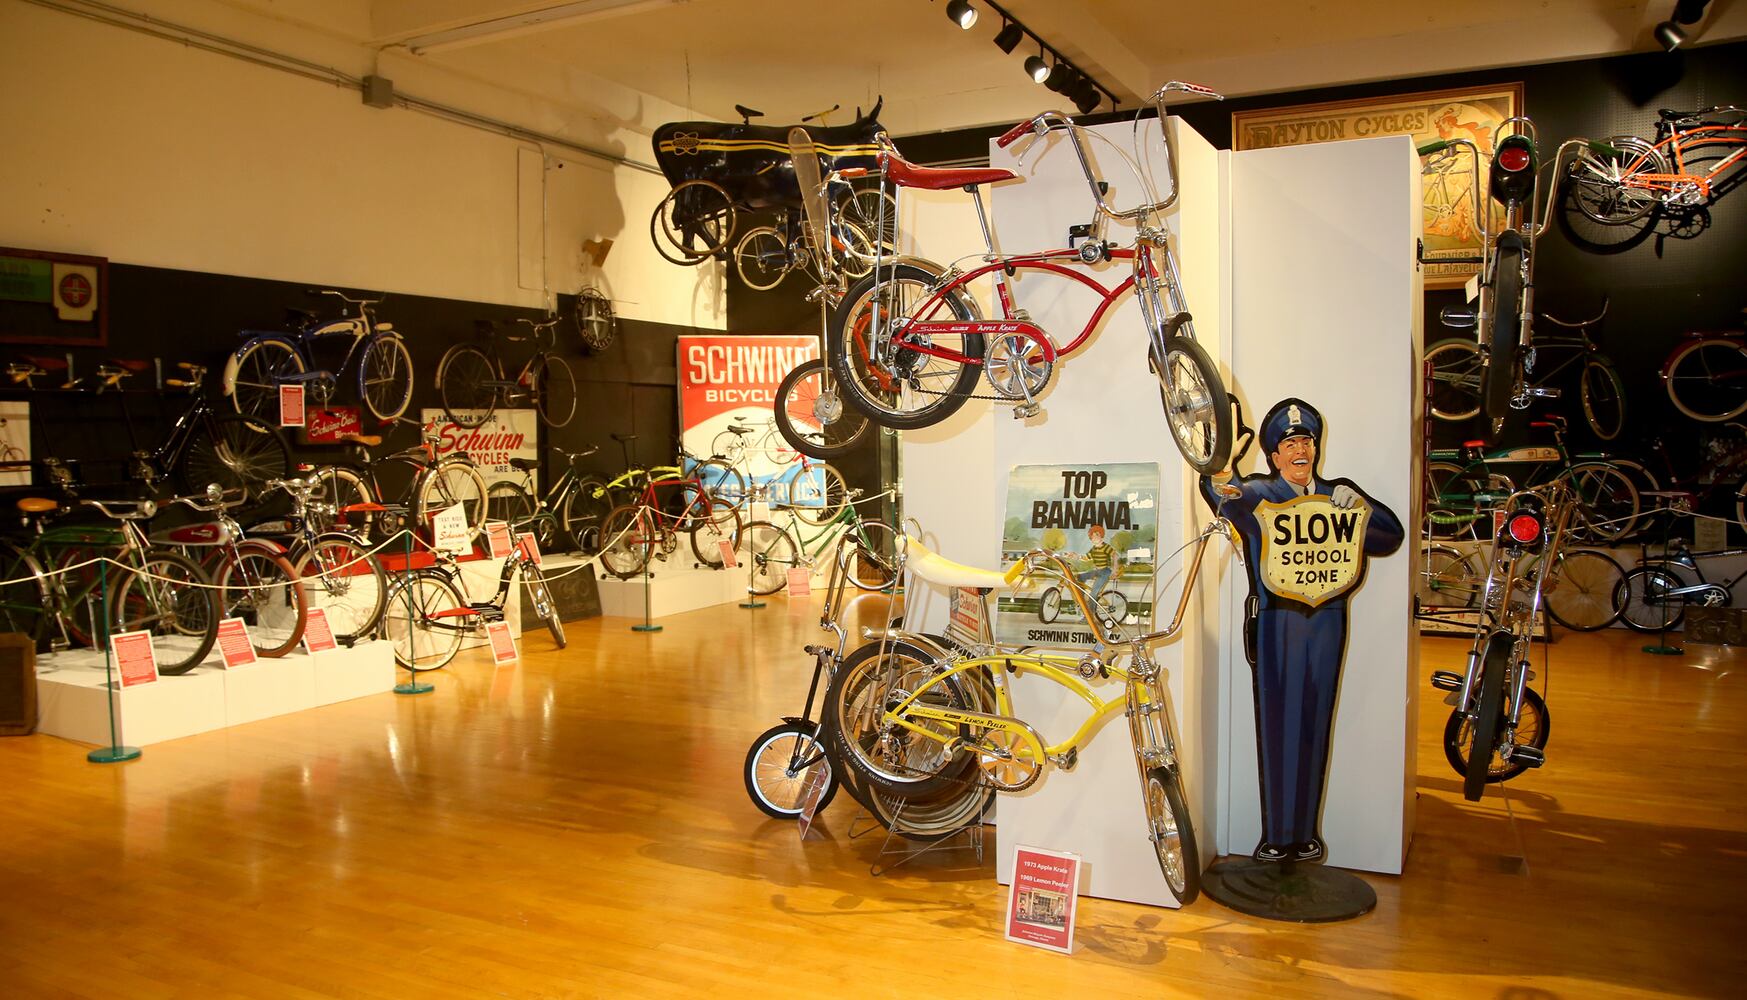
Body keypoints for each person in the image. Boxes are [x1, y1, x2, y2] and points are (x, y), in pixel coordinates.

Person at [1200, 398, 1403, 864]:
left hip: (1328, 620)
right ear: (1273, 454)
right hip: (1279, 620)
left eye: (1305, 441)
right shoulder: (1259, 494)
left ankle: (1304, 834)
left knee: (1315, 722)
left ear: (1316, 448)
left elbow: (1390, 536)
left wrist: (1362, 509)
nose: (1299, 450)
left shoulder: (1338, 493)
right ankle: (1277, 834)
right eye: (1289, 443)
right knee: (1279, 724)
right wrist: (1222, 462)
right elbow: (1221, 495)